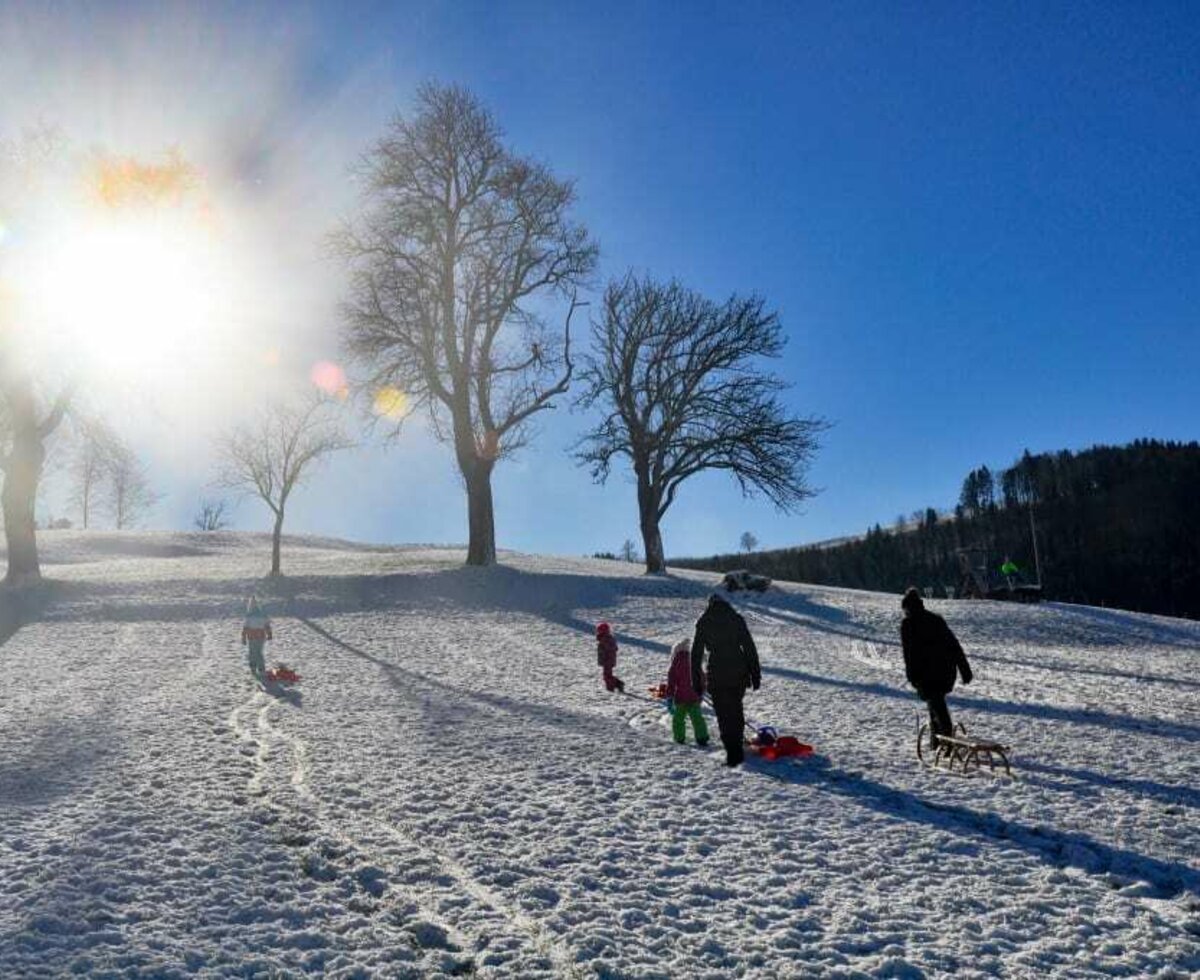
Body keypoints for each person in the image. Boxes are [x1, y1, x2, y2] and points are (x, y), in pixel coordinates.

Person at [691, 593, 761, 767]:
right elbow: (749, 647)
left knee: (723, 714)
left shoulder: (704, 621)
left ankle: (732, 752)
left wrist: (696, 681)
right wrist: (755, 673)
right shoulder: (735, 618)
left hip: (717, 672)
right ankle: (737, 747)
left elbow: (696, 654)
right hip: (739, 671)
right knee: (736, 709)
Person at [900, 587, 972, 749]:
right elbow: (954, 645)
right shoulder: (936, 619)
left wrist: (912, 677)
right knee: (934, 705)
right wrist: (964, 670)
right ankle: (936, 743)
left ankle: (947, 742)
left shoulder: (908, 624)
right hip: (946, 671)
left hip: (927, 675)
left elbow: (909, 654)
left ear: (907, 607)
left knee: (937, 707)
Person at [665, 638, 709, 747]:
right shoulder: (694, 661)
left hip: (680, 698)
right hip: (694, 697)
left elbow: (671, 681)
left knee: (678, 719)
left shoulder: (675, 664)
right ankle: (702, 737)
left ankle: (679, 738)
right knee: (697, 718)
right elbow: (702, 678)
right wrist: (702, 691)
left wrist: (669, 696)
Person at [242, 597, 273, 681]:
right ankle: (261, 668)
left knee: (252, 652)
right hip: (261, 636)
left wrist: (243, 637)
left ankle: (253, 667)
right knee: (259, 652)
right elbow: (267, 626)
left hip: (252, 636)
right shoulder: (263, 615)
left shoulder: (249, 616)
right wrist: (269, 634)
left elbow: (245, 627)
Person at [596, 622, 624, 693]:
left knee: (607, 676)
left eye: (599, 630)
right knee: (607, 675)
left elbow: (612, 649)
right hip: (606, 660)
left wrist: (603, 643)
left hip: (608, 660)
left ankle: (614, 686)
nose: (598, 632)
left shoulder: (607, 639)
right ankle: (614, 685)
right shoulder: (604, 638)